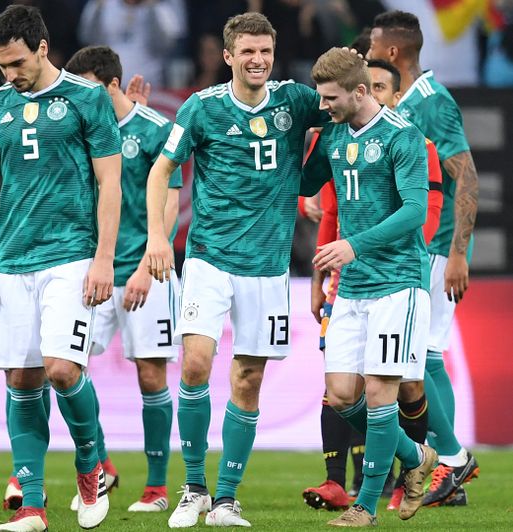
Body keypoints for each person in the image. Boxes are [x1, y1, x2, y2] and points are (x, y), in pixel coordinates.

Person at [143, 12, 326, 528]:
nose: (258, 60)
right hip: (208, 259)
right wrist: (160, 237)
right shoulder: (202, 109)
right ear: (227, 57)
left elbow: (345, 107)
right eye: (247, 51)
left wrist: (316, 178)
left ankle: (226, 498)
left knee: (248, 378)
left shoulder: (296, 101)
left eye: (265, 51)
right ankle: (194, 487)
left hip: (268, 268)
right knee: (196, 363)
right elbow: (161, 171)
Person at [0, 5, 123, 531]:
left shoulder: (87, 99)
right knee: (21, 377)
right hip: (10, 261)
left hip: (71, 256)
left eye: (18, 63)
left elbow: (110, 185)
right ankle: (32, 503)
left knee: (61, 368)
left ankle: (89, 463)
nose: (10, 74)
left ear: (43, 48)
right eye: (2, 65)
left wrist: (103, 259)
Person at [300, 46, 438, 527]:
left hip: (398, 282)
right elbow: (304, 183)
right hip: (354, 286)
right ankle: (418, 457)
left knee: (381, 394)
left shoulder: (404, 136)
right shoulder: (334, 134)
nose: (325, 106)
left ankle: (367, 506)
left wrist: (353, 245)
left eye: (331, 97)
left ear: (360, 91)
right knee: (341, 394)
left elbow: (415, 212)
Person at [368, 10, 481, 507]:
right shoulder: (402, 101)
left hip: (438, 248)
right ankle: (447, 463)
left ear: (392, 53)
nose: (368, 54)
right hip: (418, 247)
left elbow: (468, 176)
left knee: (424, 358)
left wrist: (458, 254)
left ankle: (453, 460)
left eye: (372, 48)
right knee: (426, 356)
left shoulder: (432, 103)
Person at [64, 45, 183, 514]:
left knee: (151, 374)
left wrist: (144, 270)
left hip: (144, 270)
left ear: (111, 84)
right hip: (90, 269)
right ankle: (102, 464)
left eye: (89, 87)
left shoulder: (155, 130)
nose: (79, 99)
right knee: (67, 369)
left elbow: (170, 205)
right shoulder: (78, 130)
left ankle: (156, 487)